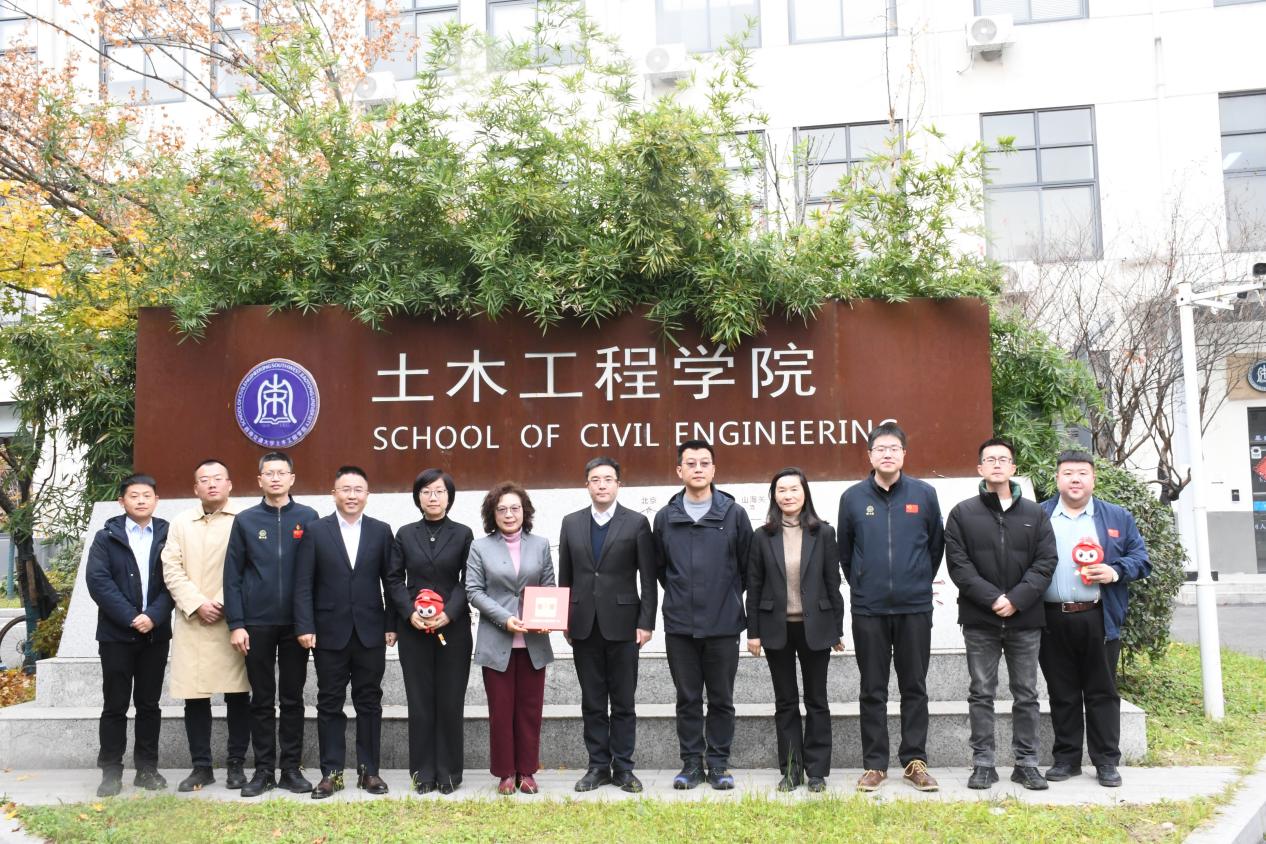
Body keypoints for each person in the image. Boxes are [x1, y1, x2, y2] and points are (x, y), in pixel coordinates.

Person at [944, 438, 1057, 791]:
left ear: (1013, 468)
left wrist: (1017, 599)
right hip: (981, 619)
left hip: (1025, 619)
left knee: (1026, 693)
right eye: (990, 459)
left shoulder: (1035, 514)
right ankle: (983, 763)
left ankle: (1027, 764)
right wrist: (993, 599)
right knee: (981, 692)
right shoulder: (962, 513)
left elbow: (1046, 561)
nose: (997, 464)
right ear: (980, 468)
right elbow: (958, 565)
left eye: (1003, 459)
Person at [837, 421, 944, 793]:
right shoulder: (852, 498)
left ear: (903, 454)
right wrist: (865, 583)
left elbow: (935, 547)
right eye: (880, 448)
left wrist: (916, 580)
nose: (887, 454)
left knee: (914, 685)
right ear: (869, 455)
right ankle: (875, 764)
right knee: (872, 688)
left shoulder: (924, 494)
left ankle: (915, 762)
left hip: (914, 607)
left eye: (893, 448)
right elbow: (846, 553)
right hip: (869, 609)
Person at [1039, 450, 1151, 788]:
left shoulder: (1116, 516)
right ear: (1057, 479)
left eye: (1082, 473)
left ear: (1093, 479)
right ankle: (1067, 759)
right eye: (1068, 473)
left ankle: (1106, 761)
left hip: (1098, 616)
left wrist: (1114, 571)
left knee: (1102, 691)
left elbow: (1141, 559)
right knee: (1062, 692)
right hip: (1051, 617)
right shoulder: (1038, 515)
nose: (1075, 479)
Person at [653, 439, 753, 791]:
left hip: (723, 624)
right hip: (680, 625)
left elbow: (746, 567)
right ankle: (692, 765)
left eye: (704, 463)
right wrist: (684, 594)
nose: (698, 469)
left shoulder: (734, 514)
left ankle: (719, 764)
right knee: (688, 699)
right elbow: (661, 569)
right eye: (691, 463)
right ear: (679, 470)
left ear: (714, 469)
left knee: (722, 698)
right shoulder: (665, 517)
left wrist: (724, 596)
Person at [294, 466, 397, 798]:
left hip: (370, 632)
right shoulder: (315, 531)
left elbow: (391, 582)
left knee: (369, 702)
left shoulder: (381, 531)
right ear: (334, 494)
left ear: (367, 495)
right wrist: (305, 625)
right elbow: (303, 584)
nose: (352, 495)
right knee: (329, 702)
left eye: (358, 489)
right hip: (328, 632)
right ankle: (331, 774)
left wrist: (391, 624)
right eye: (345, 489)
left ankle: (369, 772)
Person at [557, 456, 657, 794]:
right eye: (596, 480)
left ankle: (624, 768)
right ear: (586, 485)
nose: (602, 485)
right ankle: (598, 766)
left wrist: (646, 622)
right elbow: (566, 576)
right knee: (593, 700)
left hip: (625, 626)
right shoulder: (571, 523)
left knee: (624, 700)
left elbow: (648, 578)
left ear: (618, 484)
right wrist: (564, 618)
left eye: (608, 479)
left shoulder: (637, 523)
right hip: (583, 625)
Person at [223, 451, 319, 797]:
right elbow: (232, 576)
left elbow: (317, 574)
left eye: (281, 473)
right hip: (256, 623)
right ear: (259, 479)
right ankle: (263, 769)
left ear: (292, 478)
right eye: (269, 473)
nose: (275, 478)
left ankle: (291, 768)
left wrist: (310, 622)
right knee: (262, 699)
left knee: (292, 698)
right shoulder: (246, 521)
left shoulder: (308, 518)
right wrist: (237, 623)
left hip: (296, 625)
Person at [745, 467, 844, 793]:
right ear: (774, 496)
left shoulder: (823, 532)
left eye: (794, 489)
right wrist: (753, 632)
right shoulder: (762, 536)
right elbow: (754, 586)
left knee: (817, 700)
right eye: (781, 490)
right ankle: (790, 770)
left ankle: (816, 771)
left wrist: (837, 629)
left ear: (805, 494)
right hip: (777, 629)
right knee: (785, 701)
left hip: (816, 627)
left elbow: (833, 583)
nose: (788, 496)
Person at [160, 459, 252, 793]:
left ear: (230, 484)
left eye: (217, 478)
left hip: (233, 620)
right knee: (194, 697)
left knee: (238, 694)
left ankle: (236, 764)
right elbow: (170, 567)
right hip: (193, 621)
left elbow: (250, 566)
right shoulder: (181, 522)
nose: (211, 484)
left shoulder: (245, 519)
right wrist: (198, 603)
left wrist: (222, 602)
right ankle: (201, 766)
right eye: (204, 479)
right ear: (195, 487)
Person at [384, 468, 474, 795]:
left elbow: (469, 579)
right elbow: (394, 579)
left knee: (450, 700)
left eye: (439, 491)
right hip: (414, 628)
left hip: (454, 629)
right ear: (417, 497)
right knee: (420, 701)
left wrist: (449, 613)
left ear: (449, 497)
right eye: (426, 492)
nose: (432, 497)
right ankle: (422, 772)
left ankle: (449, 773)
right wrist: (408, 614)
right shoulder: (405, 534)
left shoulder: (463, 534)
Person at [85, 473, 172, 798]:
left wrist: (153, 616)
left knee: (149, 704)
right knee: (115, 704)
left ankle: (147, 769)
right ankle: (111, 771)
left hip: (155, 635)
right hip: (116, 635)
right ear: (122, 501)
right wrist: (132, 617)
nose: (140, 500)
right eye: (134, 495)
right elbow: (99, 581)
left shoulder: (168, 535)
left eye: (146, 495)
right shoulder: (106, 537)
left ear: (156, 500)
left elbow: (175, 579)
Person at [466, 481, 555, 796]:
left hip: (533, 644)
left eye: (514, 508)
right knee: (501, 712)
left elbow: (548, 587)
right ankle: (505, 773)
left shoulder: (541, 545)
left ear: (524, 511)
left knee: (530, 710)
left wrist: (548, 618)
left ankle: (527, 772)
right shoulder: (480, 547)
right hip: (496, 640)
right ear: (492, 514)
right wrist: (505, 618)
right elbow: (473, 591)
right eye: (501, 509)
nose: (508, 514)